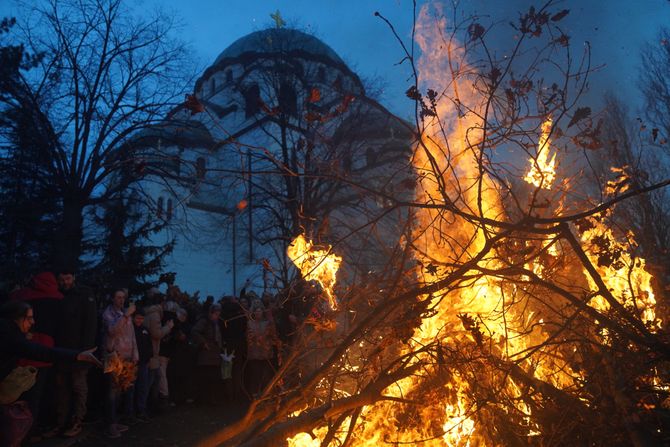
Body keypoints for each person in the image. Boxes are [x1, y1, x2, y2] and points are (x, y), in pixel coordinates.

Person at [0, 301, 100, 447]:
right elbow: (41, 352)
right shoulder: (7, 335)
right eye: (29, 318)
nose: (32, 322)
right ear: (16, 318)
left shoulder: (9, 332)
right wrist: (78, 355)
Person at [9, 272, 64, 437]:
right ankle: (32, 430)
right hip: (46, 352)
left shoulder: (21, 297)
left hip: (23, 351)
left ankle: (18, 429)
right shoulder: (58, 300)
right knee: (38, 394)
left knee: (19, 393)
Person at [51, 268, 98, 437]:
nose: (65, 283)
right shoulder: (57, 296)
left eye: (68, 278)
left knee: (79, 388)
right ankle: (60, 423)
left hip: (80, 351)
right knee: (62, 388)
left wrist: (86, 349)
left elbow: (91, 322)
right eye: (62, 279)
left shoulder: (85, 294)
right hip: (62, 351)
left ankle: (77, 421)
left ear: (74, 277)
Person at [101, 289, 138, 438]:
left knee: (120, 391)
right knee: (112, 392)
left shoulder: (125, 314)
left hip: (127, 357)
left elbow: (132, 335)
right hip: (113, 357)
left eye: (123, 297)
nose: (121, 300)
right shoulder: (108, 314)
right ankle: (110, 424)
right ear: (112, 298)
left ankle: (115, 421)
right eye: (118, 297)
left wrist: (135, 354)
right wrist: (126, 315)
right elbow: (112, 331)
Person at [143, 293, 173, 411]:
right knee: (153, 380)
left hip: (149, 351)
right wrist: (168, 327)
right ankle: (149, 407)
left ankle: (151, 406)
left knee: (153, 379)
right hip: (152, 351)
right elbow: (157, 334)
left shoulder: (147, 313)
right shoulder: (155, 315)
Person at [191, 304, 223, 404]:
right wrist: (203, 342)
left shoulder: (217, 323)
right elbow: (195, 331)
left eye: (218, 314)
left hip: (215, 353)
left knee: (214, 377)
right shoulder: (204, 321)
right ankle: (204, 399)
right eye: (215, 314)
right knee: (206, 377)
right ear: (211, 313)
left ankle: (213, 398)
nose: (217, 316)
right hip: (206, 354)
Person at [245, 303, 278, 398]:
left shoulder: (267, 323)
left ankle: (266, 395)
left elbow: (273, 335)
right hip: (254, 353)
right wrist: (255, 338)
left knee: (266, 375)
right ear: (254, 313)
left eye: (260, 311)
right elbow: (248, 337)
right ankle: (255, 395)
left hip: (266, 352)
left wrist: (265, 337)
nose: (258, 313)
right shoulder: (250, 323)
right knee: (255, 375)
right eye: (256, 311)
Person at [130, 309, 152, 421]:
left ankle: (141, 409)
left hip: (143, 362)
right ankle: (131, 411)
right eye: (138, 318)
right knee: (132, 387)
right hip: (133, 363)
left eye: (141, 318)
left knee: (142, 386)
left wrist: (148, 358)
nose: (139, 320)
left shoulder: (145, 330)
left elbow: (149, 345)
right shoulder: (130, 330)